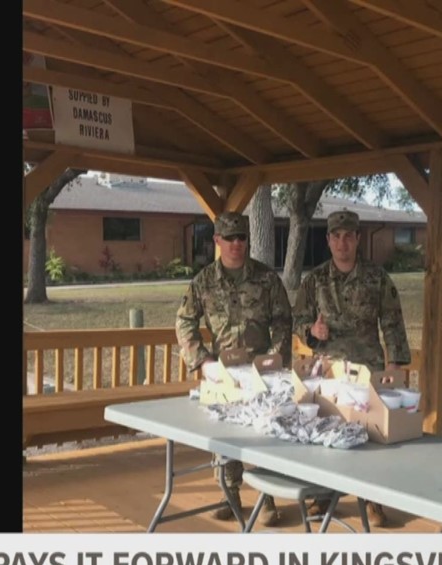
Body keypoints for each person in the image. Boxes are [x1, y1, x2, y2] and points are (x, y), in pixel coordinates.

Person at [293, 208, 411, 528]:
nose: (342, 243)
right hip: (329, 372)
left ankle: (373, 499)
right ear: (329, 240)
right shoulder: (315, 280)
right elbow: (298, 318)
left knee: (370, 435)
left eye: (349, 236)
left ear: (358, 239)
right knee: (329, 432)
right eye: (336, 237)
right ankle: (324, 493)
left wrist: (393, 365)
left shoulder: (376, 278)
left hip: (367, 369)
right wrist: (311, 333)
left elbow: (392, 322)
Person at [175, 211, 292, 527]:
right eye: (229, 238)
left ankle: (266, 498)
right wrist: (202, 360)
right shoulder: (204, 282)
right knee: (225, 436)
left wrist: (276, 359)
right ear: (217, 241)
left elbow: (283, 320)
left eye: (242, 238)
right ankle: (229, 494)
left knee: (264, 434)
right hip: (223, 371)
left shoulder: (267, 279)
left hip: (261, 371)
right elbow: (184, 320)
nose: (236, 244)